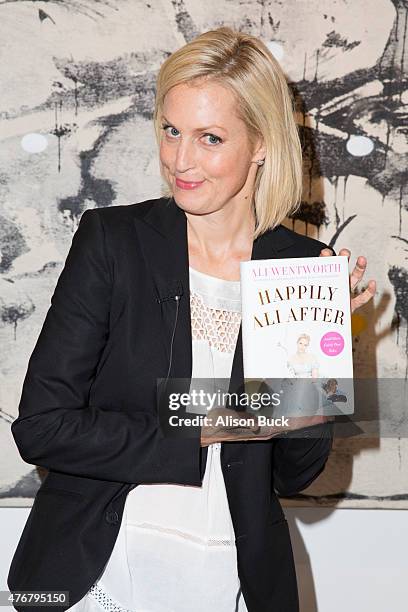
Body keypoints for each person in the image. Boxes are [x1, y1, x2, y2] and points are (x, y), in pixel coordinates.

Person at [8, 26, 376, 612]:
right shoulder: (114, 241)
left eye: (209, 138)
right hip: (96, 570)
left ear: (261, 143)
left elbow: (294, 473)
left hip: (232, 577)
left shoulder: (302, 268)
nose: (180, 160)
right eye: (171, 130)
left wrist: (325, 357)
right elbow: (42, 428)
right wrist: (212, 423)